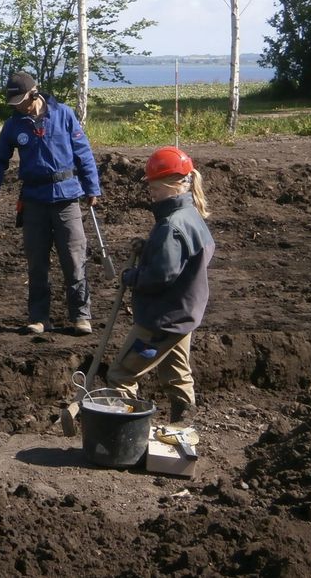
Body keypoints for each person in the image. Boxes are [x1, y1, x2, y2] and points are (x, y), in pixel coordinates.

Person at [0, 71, 102, 335]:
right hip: (34, 201)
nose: (18, 107)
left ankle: (80, 315)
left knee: (74, 257)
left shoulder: (64, 115)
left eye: (21, 101)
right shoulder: (13, 125)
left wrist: (92, 187)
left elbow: (83, 153)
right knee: (37, 262)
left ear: (34, 94)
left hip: (67, 199)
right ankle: (39, 317)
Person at [106, 146, 214, 431]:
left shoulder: (172, 226)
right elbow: (179, 260)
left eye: (154, 186)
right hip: (183, 315)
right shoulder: (191, 216)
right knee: (177, 375)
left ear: (170, 184)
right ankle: (184, 430)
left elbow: (161, 275)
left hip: (161, 320)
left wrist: (132, 276)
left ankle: (123, 436)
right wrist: (148, 250)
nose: (150, 191)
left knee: (121, 375)